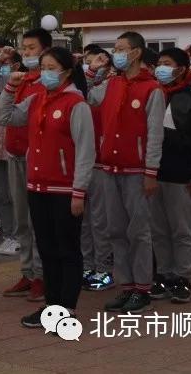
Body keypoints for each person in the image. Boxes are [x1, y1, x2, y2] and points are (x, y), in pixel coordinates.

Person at [0, 47, 95, 331]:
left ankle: (67, 306)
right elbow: (6, 118)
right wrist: (9, 88)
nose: (46, 73)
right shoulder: (37, 98)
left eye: (52, 68)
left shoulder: (75, 104)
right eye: (43, 67)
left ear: (66, 71)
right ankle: (51, 304)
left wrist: (79, 191)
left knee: (67, 248)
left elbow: (86, 151)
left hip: (65, 189)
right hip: (37, 186)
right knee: (47, 248)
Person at [86, 32, 165, 314]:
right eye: (114, 49)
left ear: (136, 53)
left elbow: (155, 135)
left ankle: (143, 287)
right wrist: (94, 69)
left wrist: (151, 172)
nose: (116, 54)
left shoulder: (152, 89)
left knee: (139, 231)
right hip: (109, 168)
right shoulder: (112, 84)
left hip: (136, 170)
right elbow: (88, 98)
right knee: (116, 230)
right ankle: (126, 285)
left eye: (121, 49)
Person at [148, 48, 191, 305]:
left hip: (182, 177)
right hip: (154, 175)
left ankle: (182, 277)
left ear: (182, 69)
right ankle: (163, 274)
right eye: (159, 63)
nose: (161, 68)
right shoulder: (153, 95)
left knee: (181, 230)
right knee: (158, 231)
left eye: (167, 64)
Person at [0, 28, 50, 301]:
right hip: (14, 155)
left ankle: (42, 276)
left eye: (31, 48)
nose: (26, 52)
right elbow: (5, 115)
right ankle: (28, 272)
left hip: (36, 159)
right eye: (25, 47)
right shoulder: (20, 79)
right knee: (21, 220)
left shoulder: (47, 82)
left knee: (36, 220)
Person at [80, 46, 114, 291]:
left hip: (103, 162)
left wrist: (98, 76)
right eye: (87, 62)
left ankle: (104, 269)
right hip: (83, 160)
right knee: (83, 219)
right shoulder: (90, 86)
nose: (92, 65)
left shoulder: (113, 87)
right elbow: (83, 93)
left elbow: (90, 94)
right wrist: (91, 73)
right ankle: (87, 265)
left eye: (98, 61)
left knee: (100, 220)